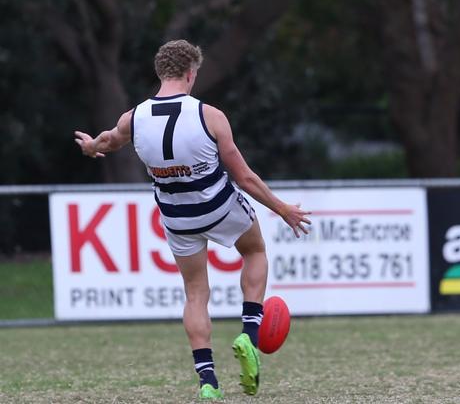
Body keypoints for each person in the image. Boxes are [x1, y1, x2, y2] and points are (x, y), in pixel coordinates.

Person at [74, 39, 311, 400]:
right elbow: (244, 178)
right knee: (255, 251)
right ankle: (249, 332)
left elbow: (110, 140)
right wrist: (282, 209)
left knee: (196, 294)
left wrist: (92, 147)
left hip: (176, 218)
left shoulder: (133, 118)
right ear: (190, 73)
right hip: (218, 206)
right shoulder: (209, 115)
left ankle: (208, 383)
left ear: (160, 72)